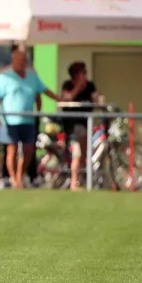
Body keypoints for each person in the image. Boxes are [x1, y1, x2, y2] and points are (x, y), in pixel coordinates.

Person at [0, 45, 60, 189]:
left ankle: (20, 174)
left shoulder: (32, 76)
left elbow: (44, 91)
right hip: (10, 121)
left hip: (28, 120)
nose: (22, 62)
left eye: (24, 60)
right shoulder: (4, 77)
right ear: (13, 60)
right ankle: (14, 179)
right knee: (12, 150)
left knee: (28, 150)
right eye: (20, 59)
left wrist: (60, 99)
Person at [61, 61, 99, 191]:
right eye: (82, 73)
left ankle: (80, 181)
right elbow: (66, 99)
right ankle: (74, 182)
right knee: (78, 152)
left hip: (87, 123)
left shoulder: (90, 86)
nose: (85, 75)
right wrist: (77, 87)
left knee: (84, 153)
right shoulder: (68, 85)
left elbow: (96, 101)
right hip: (73, 125)